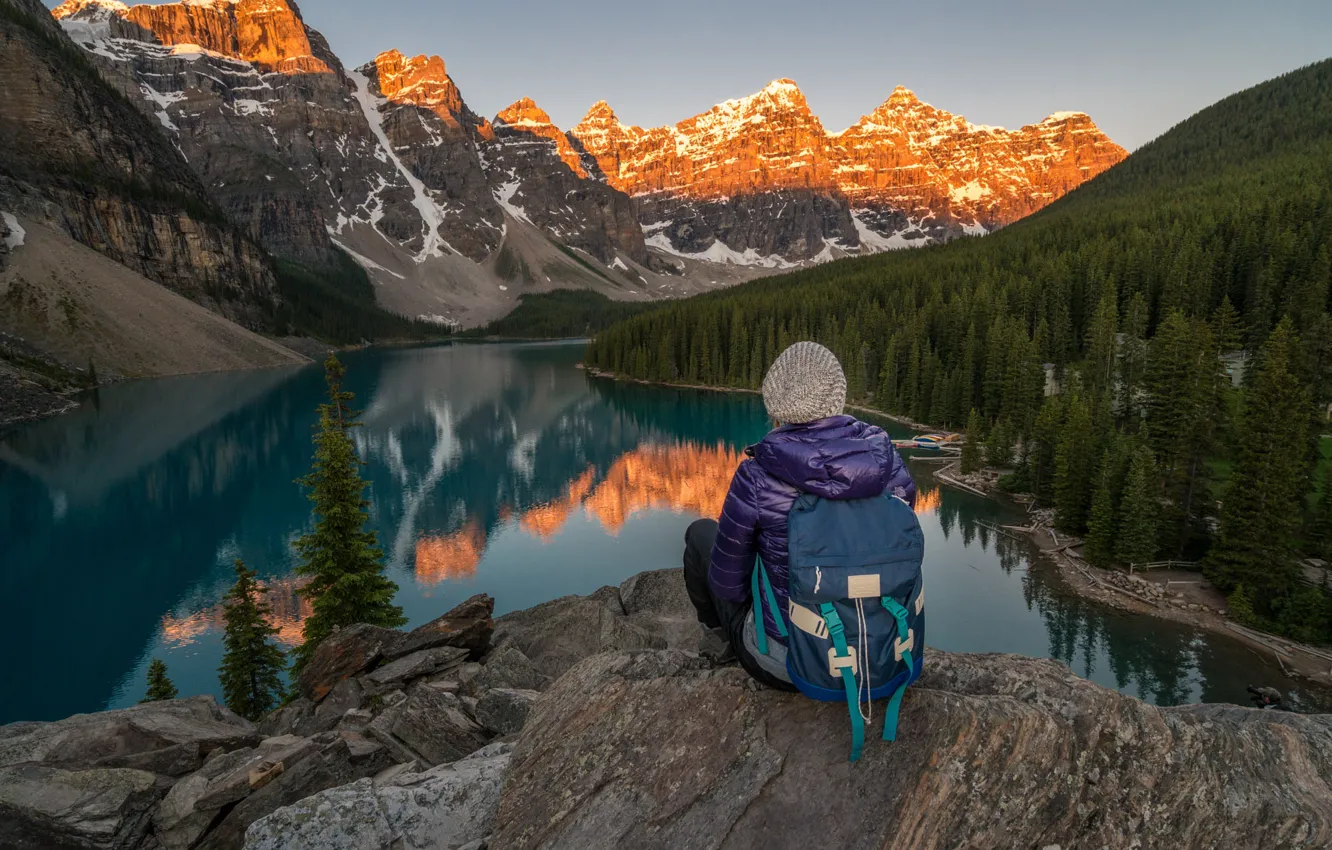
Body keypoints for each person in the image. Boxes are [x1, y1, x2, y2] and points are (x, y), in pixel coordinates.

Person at [684, 341, 918, 690]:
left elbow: (728, 585)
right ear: (837, 395)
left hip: (787, 663)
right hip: (884, 654)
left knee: (700, 535)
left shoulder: (757, 476)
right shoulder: (887, 463)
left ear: (777, 404)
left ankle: (719, 642)